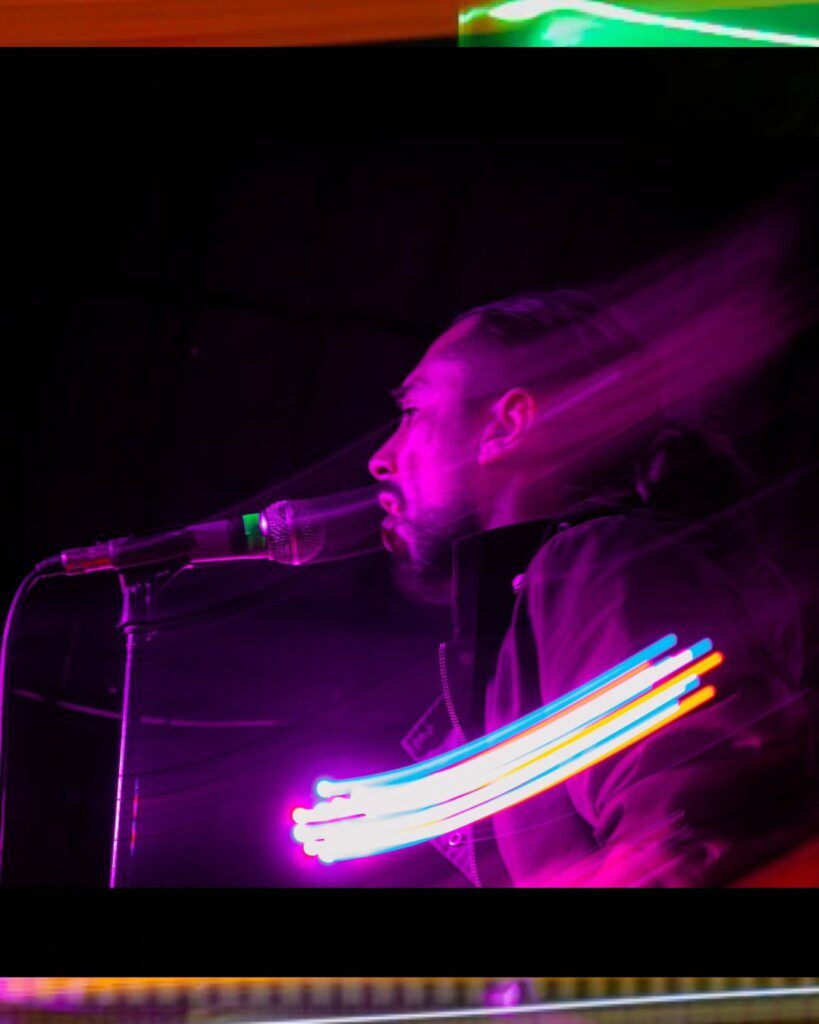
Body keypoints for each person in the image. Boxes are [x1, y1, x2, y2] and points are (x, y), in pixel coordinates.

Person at [367, 290, 817, 887]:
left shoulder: (599, 562)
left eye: (412, 411)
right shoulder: (554, 598)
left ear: (506, 426)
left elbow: (688, 848)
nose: (380, 459)